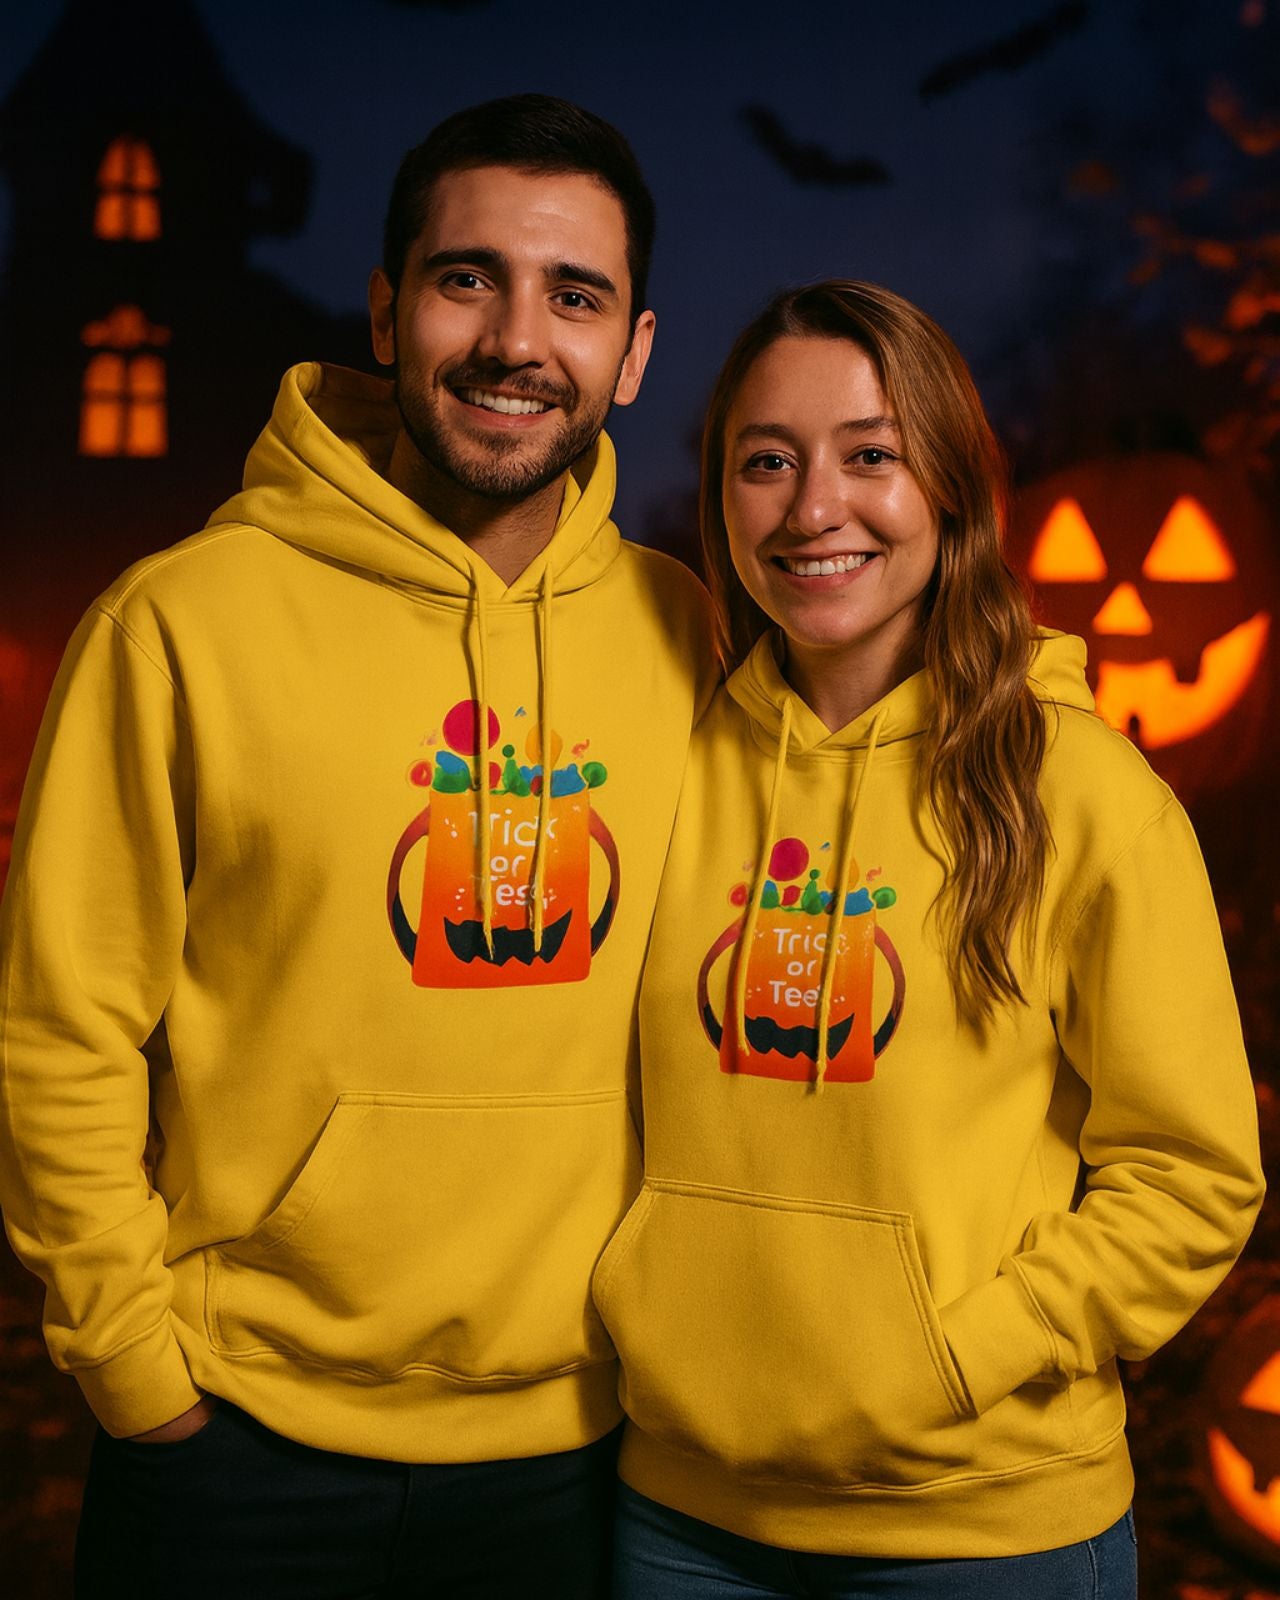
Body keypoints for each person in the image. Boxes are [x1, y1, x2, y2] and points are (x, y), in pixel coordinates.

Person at [0, 94, 714, 1599]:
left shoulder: (698, 640)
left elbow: (913, 718)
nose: (519, 337)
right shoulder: (179, 624)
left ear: (635, 353)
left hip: (588, 1454)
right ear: (387, 312)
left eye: (574, 295)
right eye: (469, 279)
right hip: (234, 1454)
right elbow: (62, 1029)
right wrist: (136, 1372)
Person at [592, 280, 1264, 1599]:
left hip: (983, 1523)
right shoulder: (666, 772)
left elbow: (1191, 1176)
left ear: (953, 486)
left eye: (870, 455)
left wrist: (963, 1354)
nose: (813, 508)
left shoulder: (1084, 794)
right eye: (766, 462)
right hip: (679, 1516)